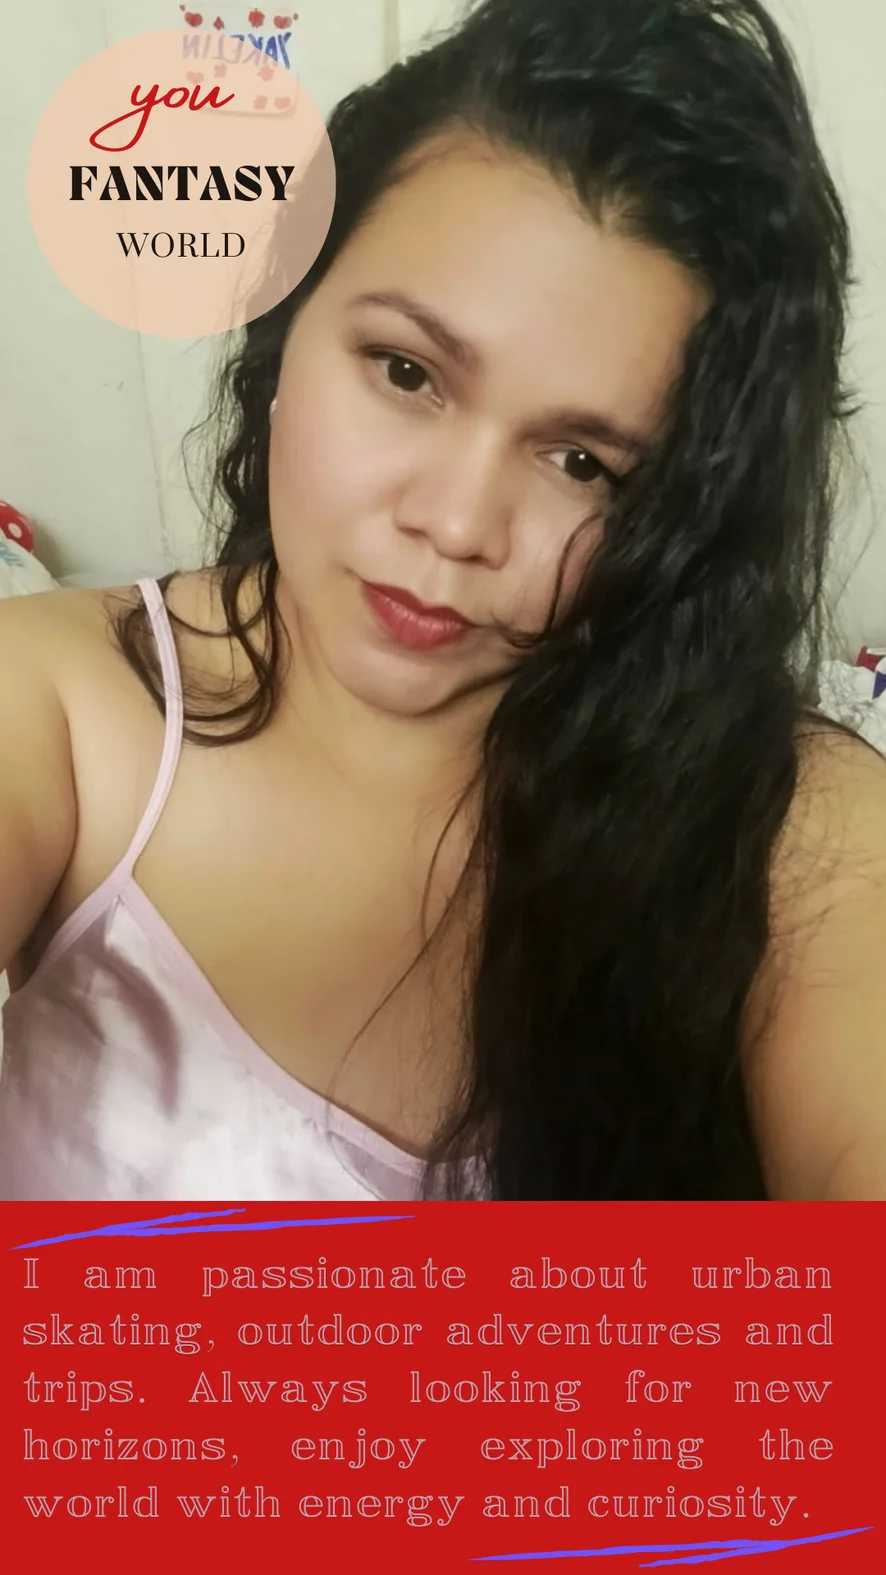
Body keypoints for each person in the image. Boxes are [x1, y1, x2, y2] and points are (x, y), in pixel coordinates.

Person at [1, 0, 885, 1202]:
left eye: (583, 462)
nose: (459, 526)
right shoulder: (56, 708)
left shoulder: (786, 825)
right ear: (284, 332)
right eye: (406, 371)